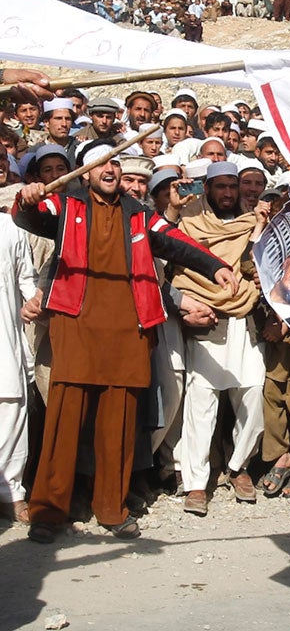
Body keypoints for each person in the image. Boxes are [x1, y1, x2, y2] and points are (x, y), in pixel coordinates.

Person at [12, 140, 233, 543]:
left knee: (119, 423)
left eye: (114, 162)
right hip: (76, 326)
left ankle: (112, 508)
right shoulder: (63, 205)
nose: (109, 169)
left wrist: (215, 266)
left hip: (129, 332)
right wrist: (27, 199)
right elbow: (29, 216)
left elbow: (177, 242)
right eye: (99, 163)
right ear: (85, 172)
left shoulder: (141, 216)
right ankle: (48, 510)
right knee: (64, 421)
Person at [173, 162, 268, 515]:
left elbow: (263, 266)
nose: (228, 193)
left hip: (245, 321)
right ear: (208, 188)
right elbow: (179, 269)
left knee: (253, 395)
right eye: (221, 187)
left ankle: (237, 467)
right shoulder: (191, 223)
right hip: (206, 318)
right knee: (201, 403)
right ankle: (196, 484)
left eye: (233, 186)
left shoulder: (253, 223)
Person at [0, 208, 37, 524]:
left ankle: (11, 493)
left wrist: (34, 302)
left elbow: (26, 278)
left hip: (5, 340)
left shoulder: (10, 228)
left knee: (11, 413)